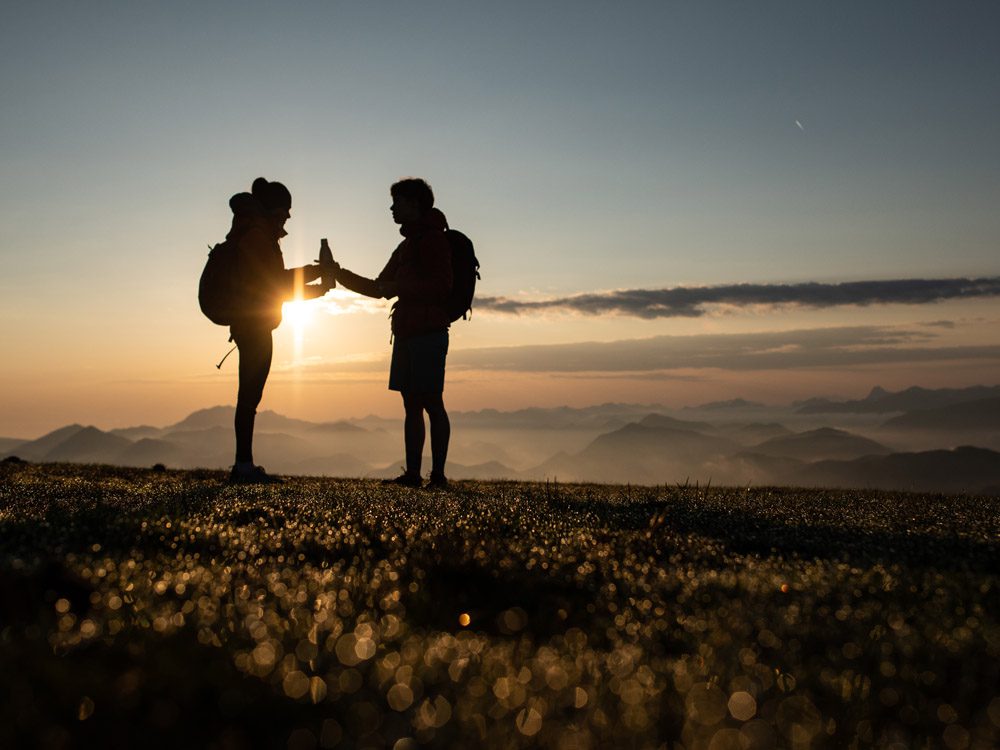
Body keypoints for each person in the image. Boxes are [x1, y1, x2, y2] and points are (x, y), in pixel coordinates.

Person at [329, 178, 453, 489]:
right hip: (408, 332)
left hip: (428, 332)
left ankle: (437, 476)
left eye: (397, 202)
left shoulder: (433, 240)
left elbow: (442, 285)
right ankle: (414, 475)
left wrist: (400, 287)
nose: (392, 208)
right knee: (412, 403)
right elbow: (378, 287)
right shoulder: (406, 246)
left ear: (415, 204)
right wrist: (338, 274)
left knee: (431, 402)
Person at [227, 177, 330, 483]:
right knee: (249, 395)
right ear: (274, 209)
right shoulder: (258, 237)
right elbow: (278, 284)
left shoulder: (256, 234)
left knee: (249, 394)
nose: (288, 218)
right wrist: (318, 279)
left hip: (252, 323)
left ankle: (244, 464)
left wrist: (316, 282)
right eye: (285, 211)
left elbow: (277, 282)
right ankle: (243, 466)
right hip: (253, 325)